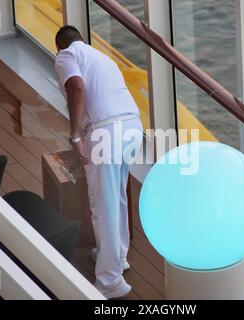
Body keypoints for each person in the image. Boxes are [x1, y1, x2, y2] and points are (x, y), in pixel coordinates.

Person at [54, 26, 143, 299]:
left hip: (106, 132)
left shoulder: (66, 55)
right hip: (133, 126)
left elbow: (77, 89)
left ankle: (110, 281)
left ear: (61, 45)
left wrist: (75, 135)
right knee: (117, 196)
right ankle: (117, 256)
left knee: (102, 205)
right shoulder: (103, 58)